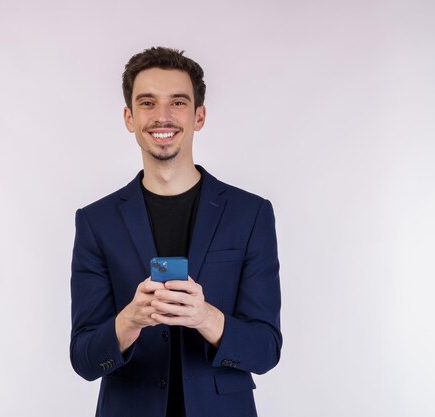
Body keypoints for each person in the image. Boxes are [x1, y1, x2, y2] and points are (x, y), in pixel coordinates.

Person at [70, 47, 282, 417]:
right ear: (129, 117)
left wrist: (205, 317)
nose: (162, 116)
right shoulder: (96, 221)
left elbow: (265, 350)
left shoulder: (250, 214)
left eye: (178, 102)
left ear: (199, 116)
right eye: (148, 103)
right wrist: (130, 320)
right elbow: (84, 358)